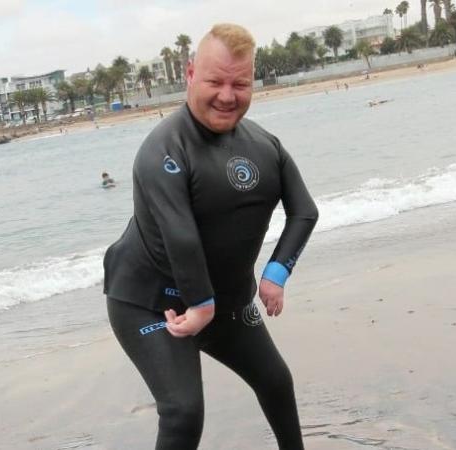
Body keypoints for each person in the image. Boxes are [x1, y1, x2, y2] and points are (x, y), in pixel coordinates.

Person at [103, 23, 318, 450]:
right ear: (189, 75)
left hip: (224, 301)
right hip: (150, 303)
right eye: (215, 81)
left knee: (276, 381)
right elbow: (180, 235)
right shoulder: (163, 148)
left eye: (239, 83)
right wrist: (200, 307)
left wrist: (275, 274)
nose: (227, 94)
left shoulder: (264, 146)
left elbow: (304, 211)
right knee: (184, 411)